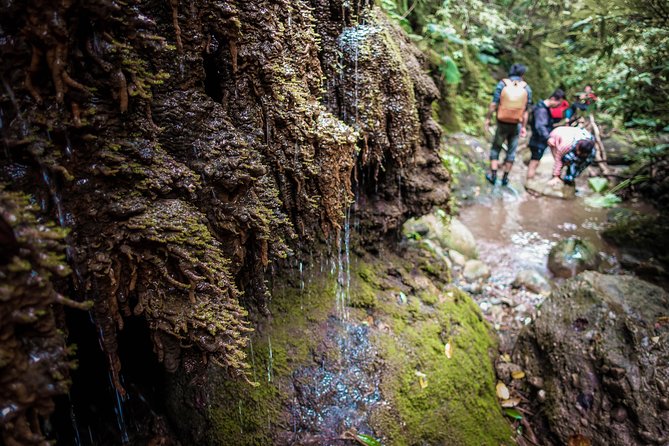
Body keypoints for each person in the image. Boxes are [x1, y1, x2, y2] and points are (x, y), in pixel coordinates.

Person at [484, 63, 533, 186]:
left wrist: (488, 119)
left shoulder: (503, 84)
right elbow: (526, 111)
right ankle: (505, 178)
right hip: (516, 123)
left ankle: (493, 175)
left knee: (496, 147)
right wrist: (523, 127)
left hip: (501, 122)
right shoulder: (526, 88)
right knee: (511, 151)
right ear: (522, 74)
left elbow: (494, 104)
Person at [527, 89, 565, 180]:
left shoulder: (543, 109)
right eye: (558, 103)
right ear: (553, 99)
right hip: (538, 140)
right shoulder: (542, 110)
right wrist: (548, 138)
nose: (558, 106)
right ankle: (528, 184)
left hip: (538, 139)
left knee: (536, 162)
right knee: (534, 162)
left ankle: (529, 182)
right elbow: (540, 126)